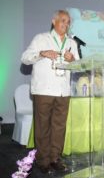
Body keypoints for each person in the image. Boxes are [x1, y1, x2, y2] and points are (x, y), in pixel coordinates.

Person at [21, 10, 79, 174]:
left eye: (68, 22)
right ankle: (43, 160)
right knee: (43, 127)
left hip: (63, 91)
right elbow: (25, 57)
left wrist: (72, 60)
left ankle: (55, 158)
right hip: (44, 89)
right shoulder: (41, 38)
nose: (65, 24)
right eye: (62, 20)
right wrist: (42, 53)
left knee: (59, 127)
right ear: (54, 21)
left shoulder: (71, 43)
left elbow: (79, 65)